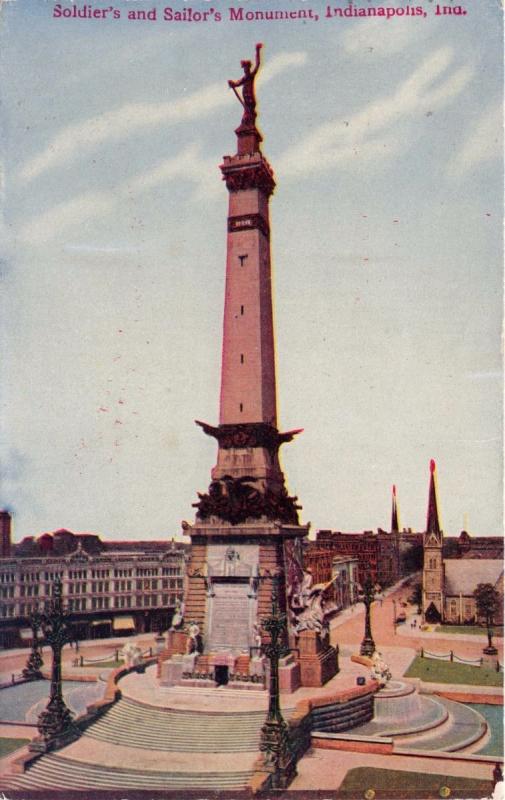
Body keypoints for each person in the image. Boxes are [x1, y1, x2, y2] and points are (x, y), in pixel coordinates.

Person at [228, 43, 262, 127]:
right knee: (246, 118)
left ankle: (250, 124)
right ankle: (247, 124)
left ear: (248, 68)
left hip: (250, 100)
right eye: (244, 69)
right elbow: (237, 83)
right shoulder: (244, 79)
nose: (245, 70)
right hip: (246, 100)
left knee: (248, 116)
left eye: (246, 68)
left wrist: (257, 51)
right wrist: (232, 84)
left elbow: (258, 64)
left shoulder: (251, 76)